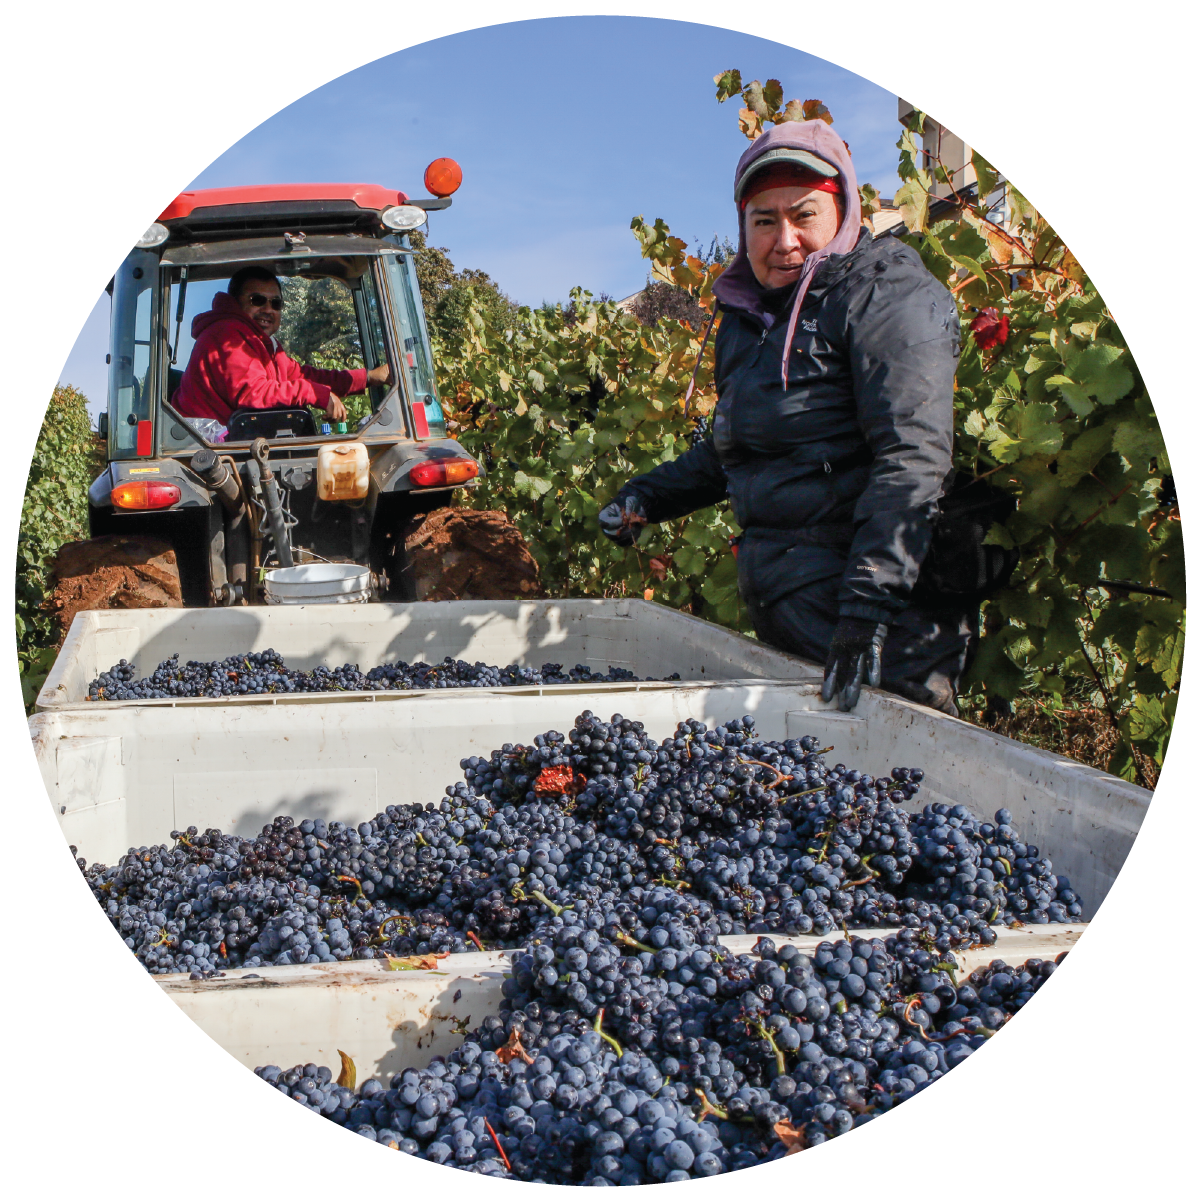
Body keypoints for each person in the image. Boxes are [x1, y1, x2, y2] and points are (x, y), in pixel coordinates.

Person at [600, 119, 971, 716]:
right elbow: (739, 449)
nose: (785, 240)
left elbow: (913, 459)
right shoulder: (752, 320)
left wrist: (865, 613)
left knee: (891, 788)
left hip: (879, 629)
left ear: (843, 211)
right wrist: (649, 496)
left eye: (804, 216)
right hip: (795, 615)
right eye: (764, 220)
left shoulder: (885, 295)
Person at [172, 265, 390, 425]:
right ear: (235, 303)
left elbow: (303, 376)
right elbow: (253, 393)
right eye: (257, 300)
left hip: (233, 442)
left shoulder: (266, 345)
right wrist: (317, 394)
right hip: (204, 449)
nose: (268, 309)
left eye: (276, 303)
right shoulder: (227, 335)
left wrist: (368, 377)